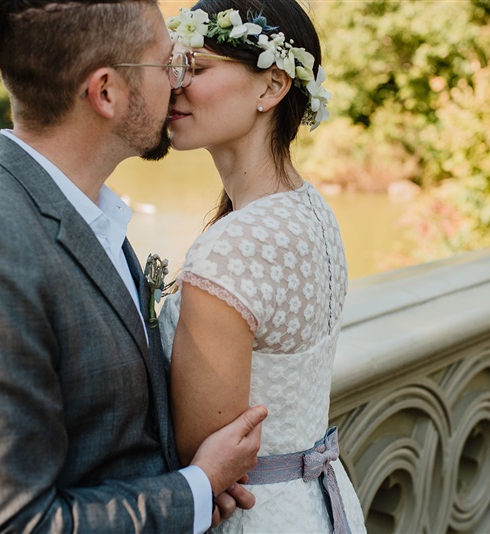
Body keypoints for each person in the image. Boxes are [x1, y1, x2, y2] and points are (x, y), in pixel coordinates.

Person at [0, 0, 267, 532]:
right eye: (167, 65)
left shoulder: (91, 213)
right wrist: (194, 490)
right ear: (107, 92)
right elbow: (8, 525)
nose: (178, 83)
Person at [158, 1, 366, 531]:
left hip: (249, 515)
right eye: (172, 66)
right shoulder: (312, 209)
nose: (172, 85)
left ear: (271, 87)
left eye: (196, 68)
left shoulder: (233, 247)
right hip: (316, 501)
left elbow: (201, 450)